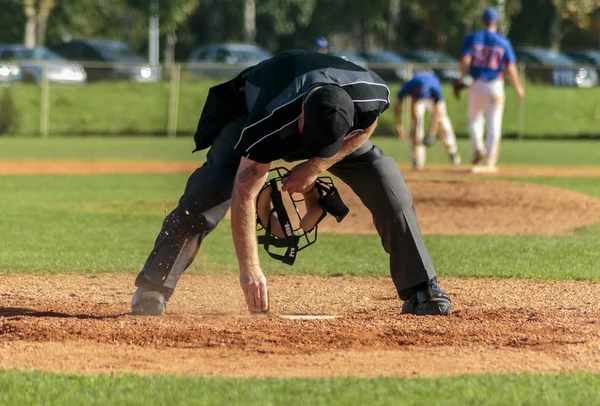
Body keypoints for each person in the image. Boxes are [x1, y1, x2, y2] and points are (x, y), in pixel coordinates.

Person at [131, 50, 452, 317]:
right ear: (301, 117)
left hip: (325, 119)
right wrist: (250, 270)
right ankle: (153, 286)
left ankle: (421, 287)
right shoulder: (267, 121)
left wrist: (315, 165)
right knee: (209, 191)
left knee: (385, 178)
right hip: (254, 110)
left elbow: (367, 127)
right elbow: (245, 192)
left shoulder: (369, 95)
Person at [457, 7, 525, 173]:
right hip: (496, 85)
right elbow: (510, 67)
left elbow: (465, 60)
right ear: (496, 22)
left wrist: (460, 78)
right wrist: (518, 87)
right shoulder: (503, 42)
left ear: (482, 22)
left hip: (477, 83)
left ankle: (478, 146)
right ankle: (490, 159)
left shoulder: (473, 38)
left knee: (474, 119)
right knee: (494, 124)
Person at [394, 71, 461, 171]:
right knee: (416, 125)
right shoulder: (409, 86)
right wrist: (399, 126)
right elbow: (397, 106)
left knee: (443, 122)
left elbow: (436, 115)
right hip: (416, 98)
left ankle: (452, 152)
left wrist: (432, 134)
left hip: (433, 98)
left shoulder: (435, 89)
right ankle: (417, 159)